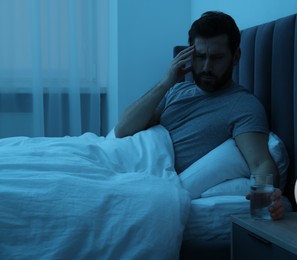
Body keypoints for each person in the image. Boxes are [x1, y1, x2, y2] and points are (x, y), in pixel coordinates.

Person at [115, 11, 285, 220]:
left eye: (216, 58)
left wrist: (269, 197)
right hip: (122, 165)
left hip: (150, 181)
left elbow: (260, 163)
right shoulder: (177, 91)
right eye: (199, 56)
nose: (206, 67)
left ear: (236, 57)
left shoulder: (243, 105)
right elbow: (123, 129)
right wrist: (166, 82)